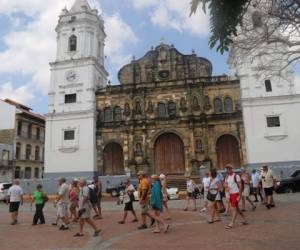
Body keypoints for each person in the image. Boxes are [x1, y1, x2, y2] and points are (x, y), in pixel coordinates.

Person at [224, 164, 248, 229]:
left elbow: (240, 186)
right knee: (237, 209)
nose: (228, 170)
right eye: (227, 169)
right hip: (231, 194)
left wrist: (239, 195)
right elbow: (225, 184)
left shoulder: (236, 176)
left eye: (229, 169)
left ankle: (231, 223)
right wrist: (226, 187)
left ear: (232, 169)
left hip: (236, 194)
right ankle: (245, 219)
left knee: (233, 208)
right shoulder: (227, 176)